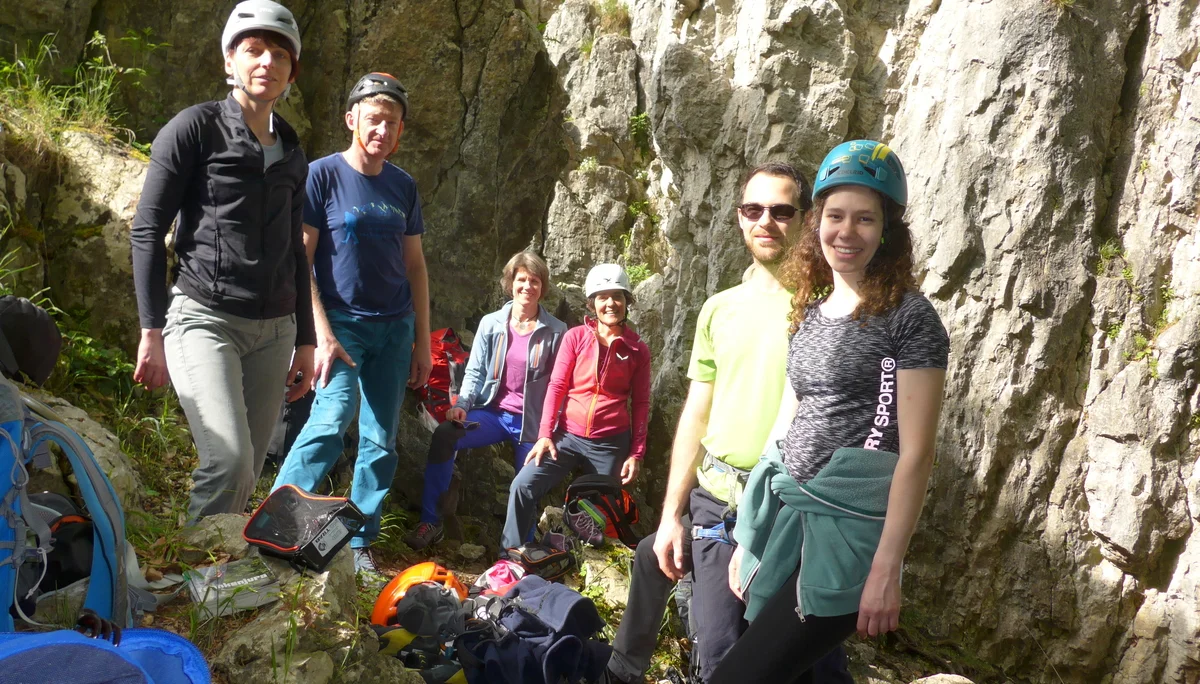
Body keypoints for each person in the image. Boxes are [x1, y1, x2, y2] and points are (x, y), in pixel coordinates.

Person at [709, 141, 950, 684]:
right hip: (788, 520)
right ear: (817, 221)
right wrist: (752, 536)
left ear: (886, 229)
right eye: (835, 215)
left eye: (866, 219)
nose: (847, 231)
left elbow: (915, 453)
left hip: (849, 537)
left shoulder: (908, 317)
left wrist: (887, 569)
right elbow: (789, 419)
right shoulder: (812, 307)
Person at [603, 163, 851, 684]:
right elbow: (698, 411)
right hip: (718, 506)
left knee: (794, 665)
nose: (766, 221)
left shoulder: (832, 309)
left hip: (794, 514)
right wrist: (672, 514)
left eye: (782, 211)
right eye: (753, 209)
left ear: (806, 220)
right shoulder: (719, 309)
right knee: (718, 657)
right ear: (738, 218)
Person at [130, 0, 314, 521]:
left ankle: (219, 585)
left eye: (280, 54)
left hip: (275, 331)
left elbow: (294, 250)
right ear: (228, 61)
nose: (267, 62)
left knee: (249, 469)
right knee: (229, 463)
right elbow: (147, 229)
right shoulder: (194, 129)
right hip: (205, 319)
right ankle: (197, 580)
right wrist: (150, 330)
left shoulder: (294, 149)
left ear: (290, 73)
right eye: (253, 49)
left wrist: (304, 339)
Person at [271, 72, 431, 574]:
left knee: (381, 439)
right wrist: (320, 334)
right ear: (352, 119)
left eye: (392, 122)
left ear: (401, 131)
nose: (382, 129)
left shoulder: (403, 185)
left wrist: (422, 343)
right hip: (341, 325)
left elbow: (416, 266)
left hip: (395, 327)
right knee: (331, 419)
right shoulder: (322, 175)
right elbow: (304, 259)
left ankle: (358, 542)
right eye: (373, 118)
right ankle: (277, 520)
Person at [403, 251, 568, 550]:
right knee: (444, 435)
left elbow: (560, 384)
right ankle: (432, 521)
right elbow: (475, 370)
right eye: (521, 279)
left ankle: (517, 552)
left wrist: (548, 431)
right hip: (493, 414)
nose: (527, 286)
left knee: (525, 484)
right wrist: (462, 405)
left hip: (532, 424)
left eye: (534, 281)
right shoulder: (492, 323)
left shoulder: (557, 331)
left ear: (543, 287)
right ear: (510, 283)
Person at [501, 264, 650, 551]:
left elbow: (641, 402)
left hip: (609, 443)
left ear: (627, 301)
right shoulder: (576, 337)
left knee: (595, 516)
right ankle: (510, 556)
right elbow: (556, 386)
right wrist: (545, 435)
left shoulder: (637, 349)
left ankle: (576, 568)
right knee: (523, 485)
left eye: (617, 296)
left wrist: (636, 453)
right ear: (592, 303)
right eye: (602, 296)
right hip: (566, 436)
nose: (610, 303)